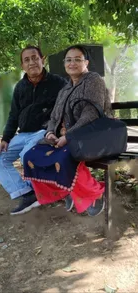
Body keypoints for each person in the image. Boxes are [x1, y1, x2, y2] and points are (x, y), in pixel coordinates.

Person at [23, 44, 112, 216]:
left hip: (89, 135)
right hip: (63, 136)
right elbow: (55, 117)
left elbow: (90, 114)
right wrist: (49, 132)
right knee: (31, 156)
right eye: (68, 60)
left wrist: (69, 136)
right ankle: (64, 190)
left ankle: (95, 194)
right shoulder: (65, 89)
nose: (72, 63)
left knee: (64, 156)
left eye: (77, 59)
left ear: (86, 62)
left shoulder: (93, 80)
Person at [0, 45, 67, 215]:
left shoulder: (58, 82)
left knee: (28, 153)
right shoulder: (20, 87)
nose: (32, 62)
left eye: (35, 58)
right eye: (27, 60)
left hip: (45, 131)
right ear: (22, 66)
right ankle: (28, 193)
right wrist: (5, 139)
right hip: (23, 134)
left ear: (42, 60)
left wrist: (59, 129)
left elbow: (67, 109)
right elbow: (13, 115)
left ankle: (40, 191)